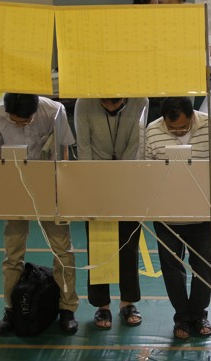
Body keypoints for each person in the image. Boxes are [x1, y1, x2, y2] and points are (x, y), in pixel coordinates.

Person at [0, 93, 79, 335]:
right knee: (12, 253)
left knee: (63, 251)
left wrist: (61, 194)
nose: (22, 124)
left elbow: (65, 153)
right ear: (7, 111)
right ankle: (11, 309)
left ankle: (67, 307)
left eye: (26, 121)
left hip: (49, 187)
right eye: (16, 121)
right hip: (14, 188)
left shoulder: (54, 111)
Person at [141, 97, 211, 339]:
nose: (178, 131)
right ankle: (182, 317)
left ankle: (199, 314)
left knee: (205, 266)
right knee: (171, 268)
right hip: (166, 215)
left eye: (182, 127)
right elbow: (146, 171)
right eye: (173, 129)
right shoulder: (152, 131)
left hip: (203, 214)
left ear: (192, 115)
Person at [74, 97, 149, 329]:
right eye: (105, 104)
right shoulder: (83, 103)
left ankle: (127, 303)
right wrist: (91, 187)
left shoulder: (141, 101)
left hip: (129, 175)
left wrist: (121, 181)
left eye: (115, 105)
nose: (110, 108)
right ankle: (102, 306)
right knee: (98, 244)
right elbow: (84, 147)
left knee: (129, 244)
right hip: (94, 176)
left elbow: (137, 144)